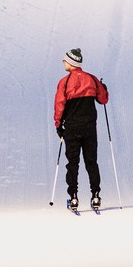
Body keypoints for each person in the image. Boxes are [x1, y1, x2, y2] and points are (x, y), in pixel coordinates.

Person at [54, 47, 108, 211]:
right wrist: (103, 87)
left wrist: (58, 125)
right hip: (90, 128)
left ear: (71, 63)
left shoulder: (65, 82)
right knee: (91, 161)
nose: (63, 62)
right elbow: (103, 100)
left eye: (65, 60)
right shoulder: (91, 79)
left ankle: (74, 197)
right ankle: (96, 195)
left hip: (72, 128)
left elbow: (59, 105)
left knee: (73, 163)